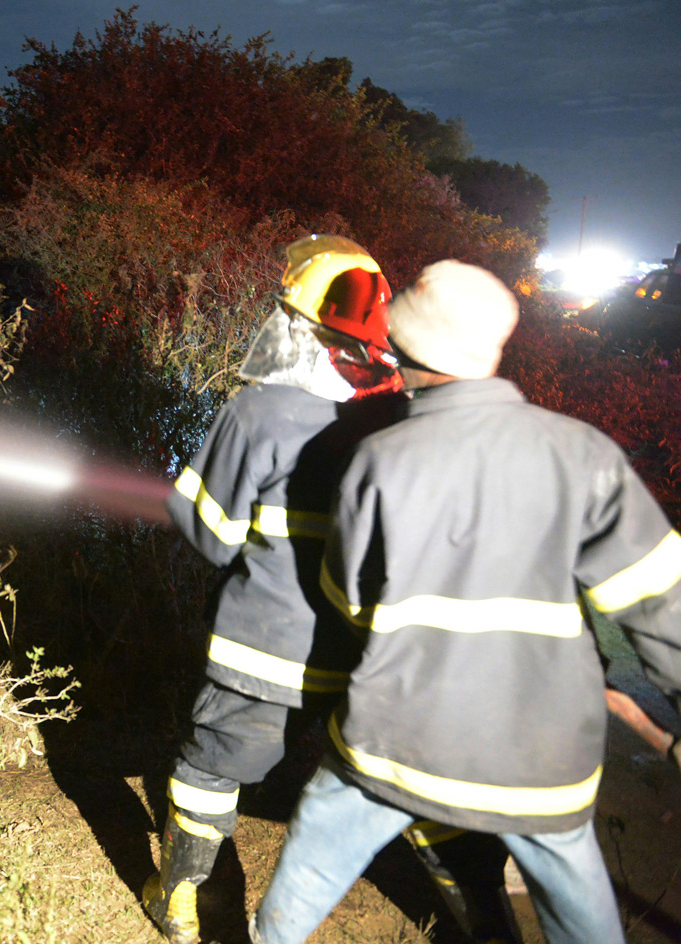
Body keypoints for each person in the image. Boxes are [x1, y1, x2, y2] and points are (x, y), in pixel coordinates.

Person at [249, 260, 681, 944]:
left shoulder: (379, 461)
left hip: (399, 741)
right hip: (544, 759)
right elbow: (664, 610)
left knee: (309, 865)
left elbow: (347, 600)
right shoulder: (583, 454)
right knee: (580, 908)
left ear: (402, 348)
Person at [150, 237, 518, 944]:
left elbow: (210, 535)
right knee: (420, 791)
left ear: (293, 321)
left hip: (263, 652)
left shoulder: (255, 413)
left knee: (210, 766)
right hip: (375, 659)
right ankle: (487, 924)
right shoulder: (398, 417)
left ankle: (180, 904)